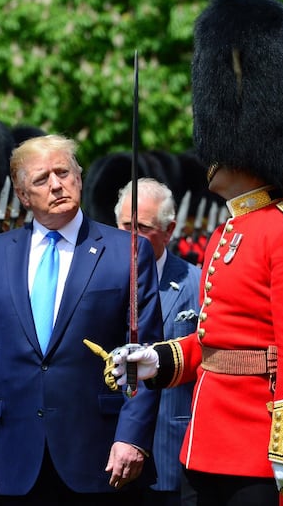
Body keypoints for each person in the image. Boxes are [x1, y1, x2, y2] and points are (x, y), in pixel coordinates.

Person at [112, 0, 283, 506]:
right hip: (205, 444)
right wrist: (158, 360)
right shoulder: (229, 231)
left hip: (260, 452)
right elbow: (217, 343)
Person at [0, 134, 163, 505]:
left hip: (101, 457)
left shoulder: (126, 252)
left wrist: (132, 436)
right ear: (23, 195)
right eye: (41, 179)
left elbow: (144, 355)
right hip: (12, 459)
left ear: (79, 178)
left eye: (63, 172)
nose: (56, 184)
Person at [114, 179, 201, 506]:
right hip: (109, 449)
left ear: (169, 230)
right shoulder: (101, 278)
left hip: (170, 448)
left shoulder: (196, 282)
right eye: (125, 225)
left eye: (143, 227)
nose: (131, 236)